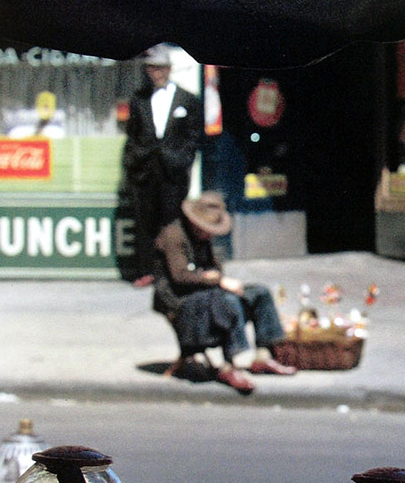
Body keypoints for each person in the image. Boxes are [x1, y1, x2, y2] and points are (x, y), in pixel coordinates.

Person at [152, 191, 297, 394]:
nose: (209, 234)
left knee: (259, 293)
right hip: (180, 300)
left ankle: (263, 357)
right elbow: (180, 276)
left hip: (207, 293)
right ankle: (230, 365)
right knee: (228, 301)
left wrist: (219, 279)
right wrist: (217, 280)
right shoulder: (173, 236)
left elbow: (216, 269)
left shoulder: (203, 239)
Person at [122, 43, 203, 287]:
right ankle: (146, 270)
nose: (155, 73)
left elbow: (193, 136)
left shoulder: (187, 99)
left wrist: (182, 159)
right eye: (151, 69)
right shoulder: (138, 100)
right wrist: (136, 161)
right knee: (145, 219)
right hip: (147, 170)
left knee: (173, 220)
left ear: (168, 69)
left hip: (173, 171)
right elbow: (132, 135)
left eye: (159, 69)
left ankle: (176, 268)